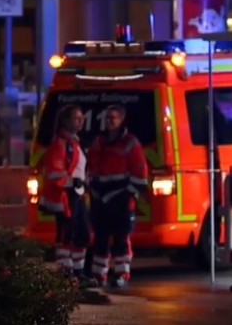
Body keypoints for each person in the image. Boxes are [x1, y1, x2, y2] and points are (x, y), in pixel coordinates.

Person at [86, 105, 149, 288]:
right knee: (100, 239)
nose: (109, 121)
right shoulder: (99, 142)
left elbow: (140, 173)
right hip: (100, 197)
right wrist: (93, 189)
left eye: (113, 118)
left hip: (121, 197)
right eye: (107, 118)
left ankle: (122, 274)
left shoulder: (130, 143)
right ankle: (99, 275)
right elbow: (91, 167)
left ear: (122, 119)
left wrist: (127, 192)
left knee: (121, 238)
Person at [37, 105, 91, 282]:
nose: (81, 121)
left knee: (81, 234)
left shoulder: (72, 142)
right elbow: (54, 173)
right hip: (66, 195)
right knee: (67, 235)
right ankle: (66, 274)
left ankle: (77, 272)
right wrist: (74, 181)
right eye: (76, 118)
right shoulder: (60, 144)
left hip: (76, 194)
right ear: (66, 121)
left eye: (81, 117)